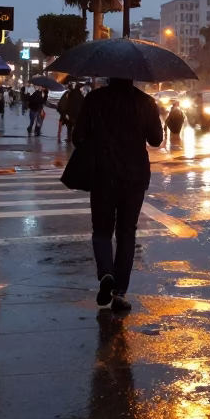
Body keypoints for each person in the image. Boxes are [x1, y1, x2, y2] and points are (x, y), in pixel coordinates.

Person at [73, 77, 163, 312]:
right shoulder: (145, 102)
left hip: (103, 175)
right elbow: (156, 139)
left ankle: (105, 273)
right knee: (126, 233)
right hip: (134, 177)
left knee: (102, 230)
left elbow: (77, 137)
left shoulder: (95, 99)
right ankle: (120, 292)